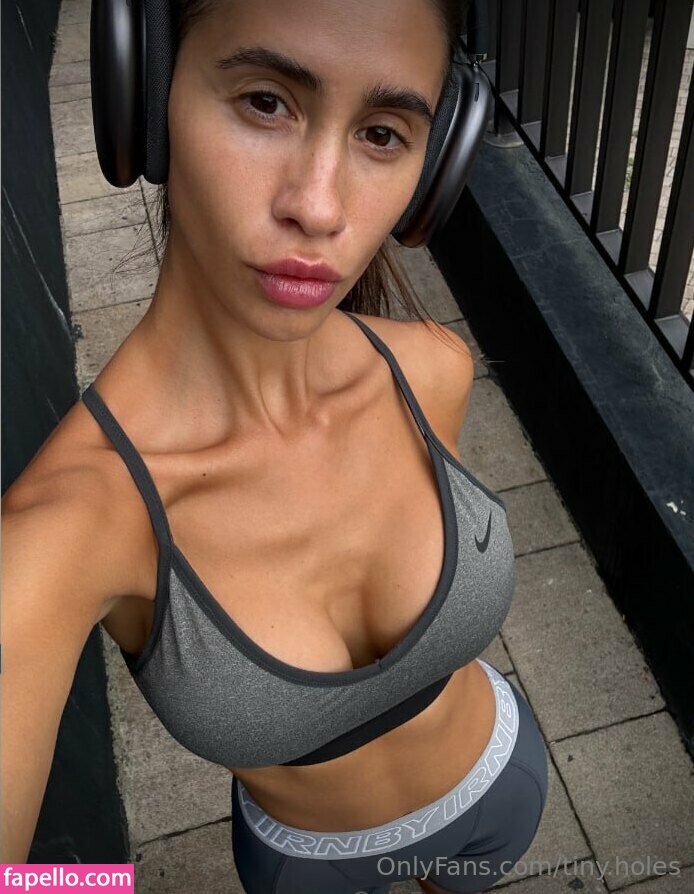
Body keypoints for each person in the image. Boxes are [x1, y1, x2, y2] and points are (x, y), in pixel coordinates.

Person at [2, 1, 548, 891]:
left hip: (501, 785)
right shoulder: (62, 532)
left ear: (436, 161)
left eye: (382, 133)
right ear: (146, 92)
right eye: (266, 102)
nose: (319, 208)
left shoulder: (433, 369)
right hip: (310, 867)